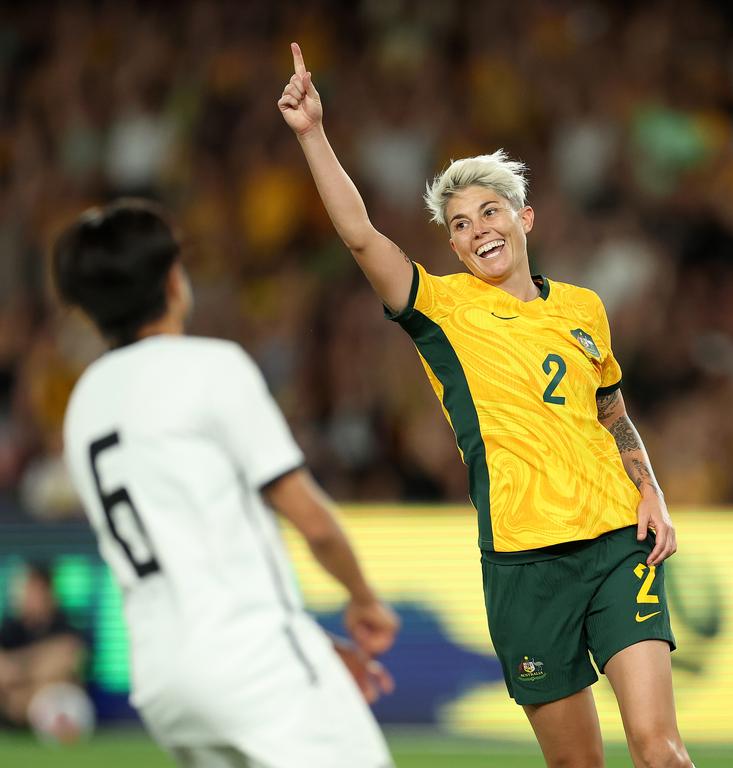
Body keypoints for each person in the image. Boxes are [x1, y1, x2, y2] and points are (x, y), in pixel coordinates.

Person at [279, 43, 691, 768]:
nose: (477, 231)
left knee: (660, 751)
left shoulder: (585, 308)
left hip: (614, 542)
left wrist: (648, 487)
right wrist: (314, 134)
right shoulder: (440, 308)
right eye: (460, 224)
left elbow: (612, 407)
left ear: (525, 219)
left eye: (489, 211)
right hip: (523, 565)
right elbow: (357, 234)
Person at [54, 199, 399, 768]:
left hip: (164, 683)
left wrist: (309, 647)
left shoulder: (85, 402)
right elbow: (312, 521)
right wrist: (364, 600)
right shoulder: (212, 367)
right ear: (171, 280)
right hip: (251, 660)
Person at [0, 562, 87, 732]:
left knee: (56, 688)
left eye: (35, 591)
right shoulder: (9, 630)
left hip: (53, 712)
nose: (28, 597)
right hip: (12, 709)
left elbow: (67, 659)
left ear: (49, 593)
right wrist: (42, 666)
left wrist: (17, 671)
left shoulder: (65, 626)